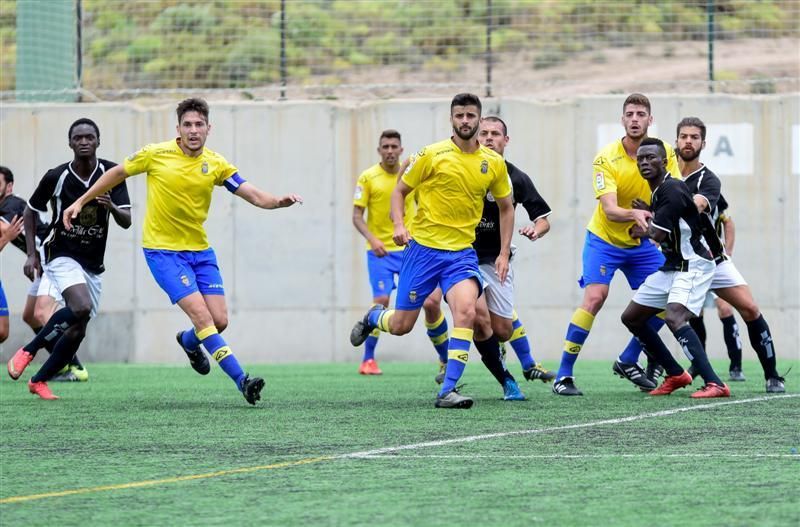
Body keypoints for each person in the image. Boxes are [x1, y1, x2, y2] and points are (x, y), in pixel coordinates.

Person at [62, 98, 303, 406]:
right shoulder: (155, 154)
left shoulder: (216, 164)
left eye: (199, 125)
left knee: (218, 320)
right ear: (178, 129)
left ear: (208, 129)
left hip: (200, 252)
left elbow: (252, 193)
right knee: (202, 316)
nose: (193, 130)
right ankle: (242, 380)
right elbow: (117, 173)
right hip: (163, 253)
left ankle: (189, 342)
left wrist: (277, 201)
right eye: (187, 125)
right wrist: (81, 201)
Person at [350, 93, 514, 409]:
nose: (465, 121)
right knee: (400, 326)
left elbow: (506, 208)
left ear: (479, 119)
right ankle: (374, 317)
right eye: (459, 116)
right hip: (423, 251)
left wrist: (504, 251)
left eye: (470, 116)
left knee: (466, 311)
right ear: (451, 119)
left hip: (461, 254)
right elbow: (400, 191)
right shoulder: (431, 154)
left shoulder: (493, 163)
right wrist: (399, 224)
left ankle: (448, 389)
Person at [552, 93, 680, 396]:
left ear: (650, 120)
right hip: (604, 240)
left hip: (642, 242)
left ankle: (628, 359)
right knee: (595, 297)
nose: (635, 119)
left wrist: (650, 224)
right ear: (622, 120)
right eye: (630, 114)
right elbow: (609, 208)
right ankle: (563, 376)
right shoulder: (606, 158)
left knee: (666, 302)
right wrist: (636, 214)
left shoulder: (667, 153)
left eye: (641, 114)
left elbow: (671, 195)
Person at [6, 119, 132, 399]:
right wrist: (31, 255)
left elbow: (127, 220)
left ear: (98, 141)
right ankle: (29, 350)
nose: (84, 141)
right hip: (60, 251)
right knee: (81, 306)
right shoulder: (57, 176)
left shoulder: (112, 173)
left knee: (78, 330)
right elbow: (30, 211)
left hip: (92, 261)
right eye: (78, 138)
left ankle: (39, 380)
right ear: (70, 143)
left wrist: (110, 205)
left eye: (89, 137)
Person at [675, 117, 785, 393]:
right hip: (680, 263)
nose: (688, 141)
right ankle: (665, 370)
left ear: (703, 143)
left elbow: (703, 206)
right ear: (675, 141)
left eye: (694, 137)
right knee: (660, 315)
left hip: (713, 259)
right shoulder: (663, 174)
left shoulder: (708, 180)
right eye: (684, 136)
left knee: (749, 308)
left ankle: (771, 375)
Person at [620, 137, 729, 398]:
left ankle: (716, 384)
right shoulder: (659, 191)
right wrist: (648, 218)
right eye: (641, 158)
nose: (645, 162)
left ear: (665, 160)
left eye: (651, 157)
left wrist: (642, 229)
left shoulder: (670, 188)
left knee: (674, 317)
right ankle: (675, 373)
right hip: (673, 266)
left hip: (694, 264)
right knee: (631, 317)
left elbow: (656, 235)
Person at [352, 130, 450, 375]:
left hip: (409, 250)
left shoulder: (411, 176)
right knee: (382, 301)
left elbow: (422, 207)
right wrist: (373, 239)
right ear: (379, 151)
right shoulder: (368, 177)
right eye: (385, 146)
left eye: (394, 146)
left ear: (401, 150)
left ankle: (444, 359)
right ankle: (368, 360)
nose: (390, 151)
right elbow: (356, 216)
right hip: (380, 253)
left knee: (431, 302)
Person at [473, 116, 555, 385]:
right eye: (483, 133)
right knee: (474, 314)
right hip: (460, 255)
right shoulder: (461, 170)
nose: (488, 138)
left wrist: (535, 230)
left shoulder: (516, 177)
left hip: (497, 258)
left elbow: (543, 220)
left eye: (495, 134)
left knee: (502, 329)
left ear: (505, 141)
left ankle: (518, 358)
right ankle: (449, 373)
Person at [0, 166, 74, 378]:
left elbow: (4, 230)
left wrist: (31, 255)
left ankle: (71, 365)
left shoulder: (10, 204)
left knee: (42, 313)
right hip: (40, 259)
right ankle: (63, 365)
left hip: (50, 257)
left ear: (9, 186)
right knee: (30, 317)